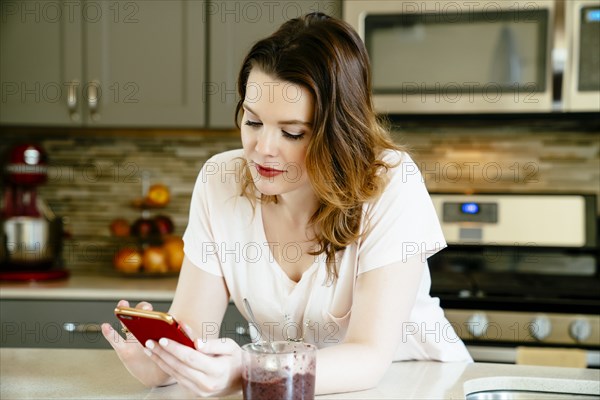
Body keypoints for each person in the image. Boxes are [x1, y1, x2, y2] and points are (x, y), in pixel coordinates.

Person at [102, 12, 472, 397]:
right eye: (253, 121)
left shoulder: (390, 183)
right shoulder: (219, 182)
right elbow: (193, 332)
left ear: (337, 134)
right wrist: (160, 361)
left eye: (292, 132)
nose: (262, 149)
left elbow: (369, 356)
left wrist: (249, 370)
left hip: (419, 385)